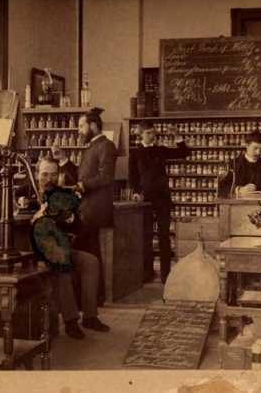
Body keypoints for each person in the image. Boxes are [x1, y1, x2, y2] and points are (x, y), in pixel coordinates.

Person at [30, 157, 110, 339]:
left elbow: (79, 227)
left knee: (90, 261)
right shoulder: (24, 194)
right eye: (44, 175)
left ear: (59, 176)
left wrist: (70, 218)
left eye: (53, 175)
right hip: (35, 253)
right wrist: (36, 215)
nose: (48, 179)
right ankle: (71, 321)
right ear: (36, 175)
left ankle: (90, 316)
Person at [128, 121, 189, 284]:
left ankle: (165, 275)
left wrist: (177, 136)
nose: (152, 135)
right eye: (148, 133)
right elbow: (132, 176)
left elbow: (183, 153)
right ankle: (147, 273)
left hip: (162, 198)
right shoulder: (134, 153)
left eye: (153, 132)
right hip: (145, 198)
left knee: (164, 236)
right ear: (140, 134)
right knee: (146, 235)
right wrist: (135, 193)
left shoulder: (160, 150)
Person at [75, 107, 117, 306]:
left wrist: (83, 185)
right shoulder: (93, 146)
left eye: (82, 126)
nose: (79, 130)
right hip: (87, 208)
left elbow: (106, 177)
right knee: (88, 254)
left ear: (93, 125)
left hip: (94, 210)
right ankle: (89, 300)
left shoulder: (106, 146)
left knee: (90, 255)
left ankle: (93, 299)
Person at [222, 130, 261, 197]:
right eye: (255, 148)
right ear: (247, 145)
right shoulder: (233, 164)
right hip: (237, 205)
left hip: (260, 206)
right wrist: (239, 190)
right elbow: (222, 187)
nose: (258, 152)